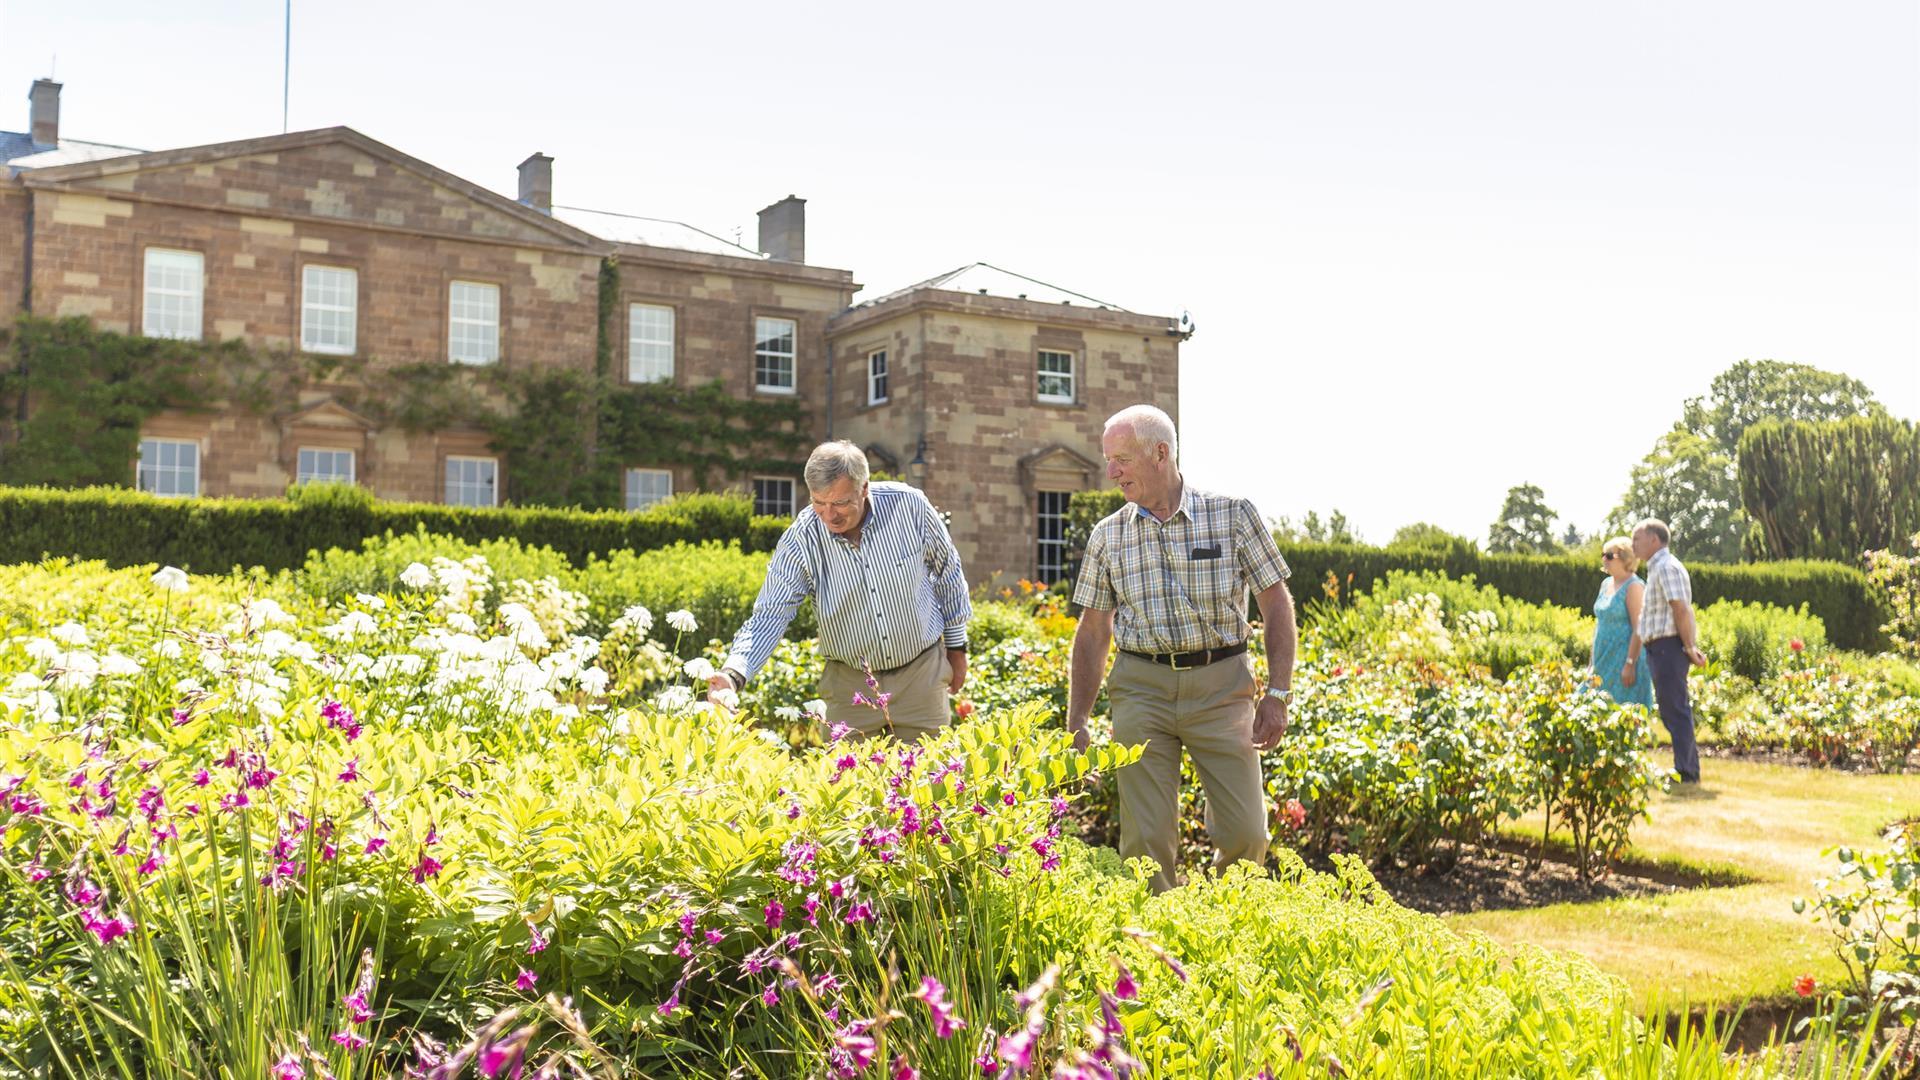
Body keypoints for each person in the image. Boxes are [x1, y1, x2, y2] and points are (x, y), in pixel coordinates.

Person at [1066, 404, 1297, 894]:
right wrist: (1078, 723)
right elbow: (1092, 632)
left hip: (1221, 688)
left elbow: (1276, 603)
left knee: (1247, 834)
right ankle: (1158, 947)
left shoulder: (1232, 515)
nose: (1111, 472)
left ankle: (1229, 931)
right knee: (1145, 843)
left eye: (1122, 459)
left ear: (1161, 453)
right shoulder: (1108, 536)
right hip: (1141, 690)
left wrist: (1278, 693)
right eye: (1109, 460)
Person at [706, 441, 971, 741]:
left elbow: (948, 572)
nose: (829, 516)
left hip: (920, 675)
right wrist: (733, 674)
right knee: (845, 784)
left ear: (864, 488)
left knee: (929, 781)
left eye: (840, 503)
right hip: (850, 687)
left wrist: (957, 647)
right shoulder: (802, 538)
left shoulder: (910, 507)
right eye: (819, 502)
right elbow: (771, 613)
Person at [1632, 518, 1708, 783]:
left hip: (1668, 647)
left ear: (1654, 540)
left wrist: (1688, 647)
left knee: (1675, 708)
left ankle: (1687, 772)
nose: (1633, 545)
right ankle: (1684, 768)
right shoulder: (1656, 569)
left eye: (1637, 539)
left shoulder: (1666, 567)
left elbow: (1681, 609)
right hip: (1659, 648)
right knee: (1671, 708)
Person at [1591, 536, 1653, 709]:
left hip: (1623, 659)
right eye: (1603, 554)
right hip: (1603, 656)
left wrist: (1630, 663)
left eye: (1609, 556)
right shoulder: (1605, 584)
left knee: (1621, 711)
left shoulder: (1634, 586)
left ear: (1626, 558)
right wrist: (1592, 663)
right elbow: (1599, 625)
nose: (1604, 559)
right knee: (1594, 706)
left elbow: (1638, 628)